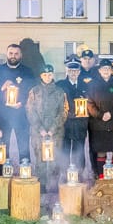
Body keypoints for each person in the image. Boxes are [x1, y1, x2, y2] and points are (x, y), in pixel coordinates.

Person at [0, 43, 35, 162]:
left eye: (16, 53)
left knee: (24, 147)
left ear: (21, 55)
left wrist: (22, 102)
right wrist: (2, 87)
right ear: (7, 54)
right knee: (4, 148)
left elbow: (32, 92)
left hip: (21, 116)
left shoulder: (28, 72)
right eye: (11, 53)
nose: (13, 56)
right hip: (3, 116)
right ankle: (4, 175)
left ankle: (25, 173)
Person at [26, 64, 67, 192]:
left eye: (50, 74)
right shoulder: (34, 91)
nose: (47, 77)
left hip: (56, 132)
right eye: (44, 75)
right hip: (38, 133)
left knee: (55, 158)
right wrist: (40, 128)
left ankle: (54, 185)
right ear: (40, 76)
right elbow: (30, 110)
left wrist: (53, 128)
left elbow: (64, 110)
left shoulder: (60, 92)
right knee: (40, 159)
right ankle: (42, 185)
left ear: (53, 75)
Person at [87, 59, 113, 178]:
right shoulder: (92, 84)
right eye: (103, 69)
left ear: (112, 70)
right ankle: (101, 175)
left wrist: (111, 113)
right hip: (98, 123)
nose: (106, 71)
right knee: (101, 151)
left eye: (108, 69)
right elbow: (89, 103)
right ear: (99, 70)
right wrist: (100, 115)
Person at [56, 59, 90, 175]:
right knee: (64, 150)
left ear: (79, 72)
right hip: (65, 123)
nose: (73, 73)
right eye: (70, 70)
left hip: (80, 124)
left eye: (75, 71)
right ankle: (65, 175)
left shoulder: (85, 85)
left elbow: (90, 102)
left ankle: (79, 174)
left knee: (79, 151)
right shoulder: (60, 85)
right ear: (66, 71)